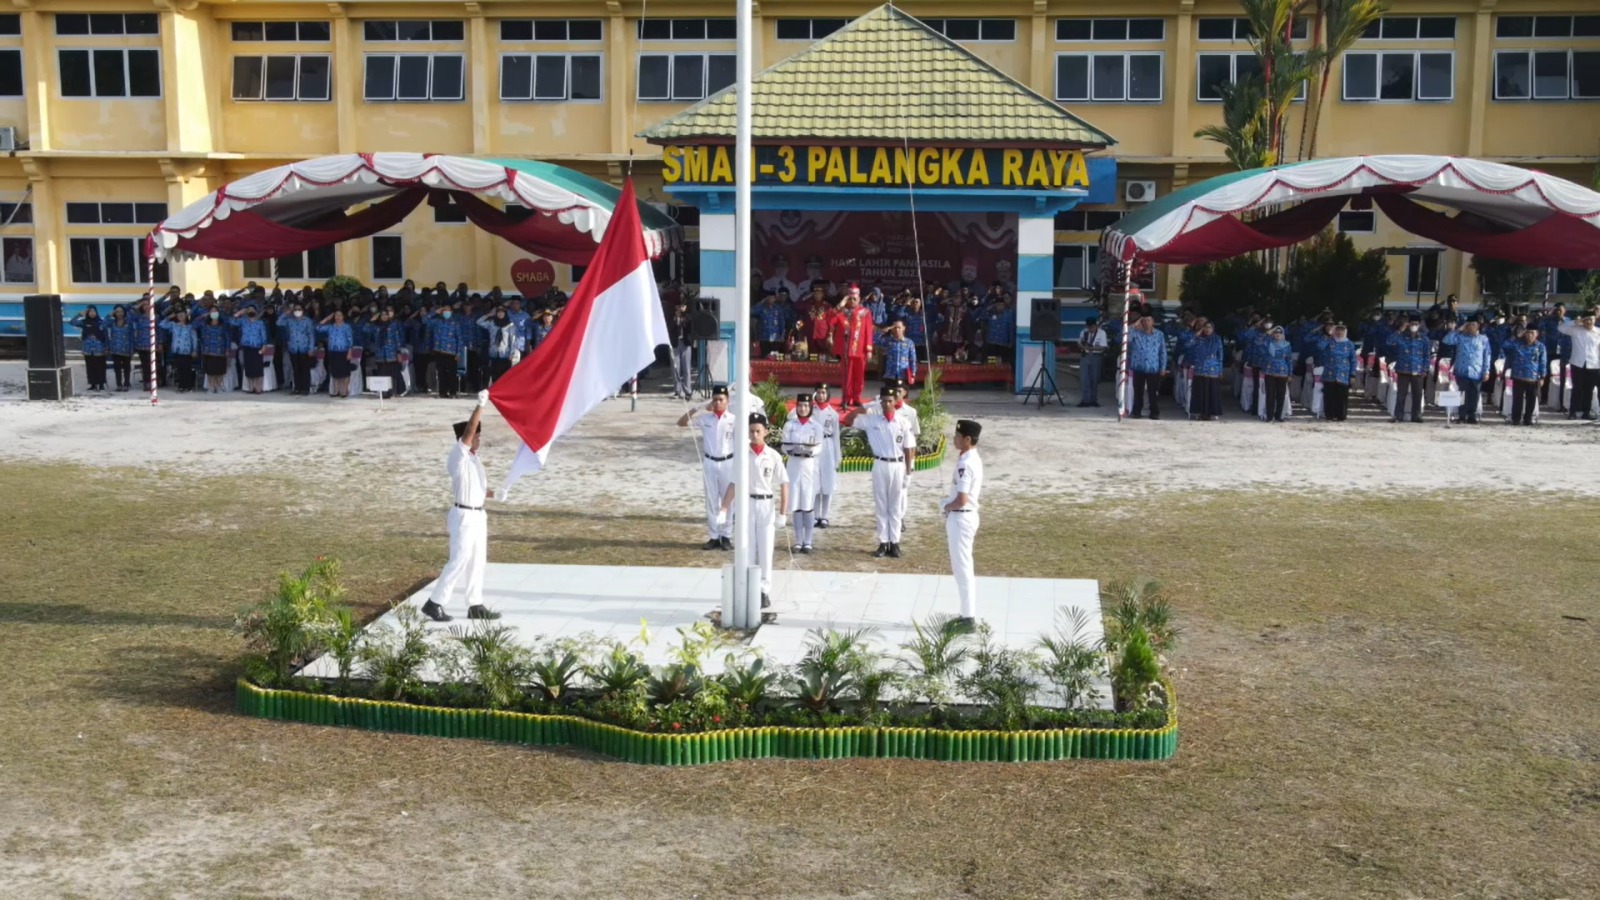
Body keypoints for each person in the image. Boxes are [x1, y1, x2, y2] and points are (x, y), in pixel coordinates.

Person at [421, 391, 502, 623]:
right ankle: (434, 603)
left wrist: (496, 494)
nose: (478, 439)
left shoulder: (475, 460)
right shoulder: (458, 455)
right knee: (459, 559)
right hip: (464, 515)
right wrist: (480, 405)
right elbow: (468, 431)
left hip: (478, 514)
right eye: (477, 435)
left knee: (478, 560)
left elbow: (476, 490)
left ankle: (474, 605)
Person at [716, 412, 789, 610]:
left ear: (765, 431)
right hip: (747, 502)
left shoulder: (773, 456)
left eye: (758, 431)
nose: (755, 434)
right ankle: (747, 587)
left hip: (766, 503)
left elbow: (784, 484)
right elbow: (733, 482)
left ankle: (764, 590)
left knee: (765, 548)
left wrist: (783, 513)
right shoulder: (742, 455)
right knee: (746, 547)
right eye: (751, 431)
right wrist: (724, 508)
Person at [842, 384, 916, 559]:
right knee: (881, 505)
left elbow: (909, 449)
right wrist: (866, 406)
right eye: (883, 401)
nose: (886, 404)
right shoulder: (871, 420)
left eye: (889, 401)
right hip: (880, 463)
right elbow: (848, 419)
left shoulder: (903, 422)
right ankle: (884, 542)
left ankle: (895, 542)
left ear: (895, 402)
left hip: (898, 465)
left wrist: (908, 474)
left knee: (896, 506)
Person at [678, 385, 738, 550]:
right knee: (711, 501)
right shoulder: (705, 419)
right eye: (715, 400)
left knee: (728, 500)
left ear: (727, 401)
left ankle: (726, 535)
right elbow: (681, 423)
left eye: (721, 400)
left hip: (728, 462)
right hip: (710, 462)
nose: (718, 403)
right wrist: (697, 407)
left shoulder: (734, 420)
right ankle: (713, 536)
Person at [942, 419, 984, 627]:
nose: (955, 438)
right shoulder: (970, 458)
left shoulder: (965, 464)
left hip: (961, 516)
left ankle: (968, 617)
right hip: (965, 516)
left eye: (958, 436)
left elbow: (962, 499)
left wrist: (945, 506)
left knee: (962, 568)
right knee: (962, 566)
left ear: (968, 439)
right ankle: (966, 613)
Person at [780, 393, 824, 553]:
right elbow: (784, 446)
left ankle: (808, 541)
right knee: (795, 503)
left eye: (806, 406)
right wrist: (792, 449)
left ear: (810, 407)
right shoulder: (789, 425)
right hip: (793, 463)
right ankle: (798, 540)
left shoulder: (816, 426)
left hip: (808, 464)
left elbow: (819, 446)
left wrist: (809, 450)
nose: (803, 408)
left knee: (807, 503)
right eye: (800, 405)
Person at [1442, 320, 1493, 424]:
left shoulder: (1483, 339)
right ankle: (1462, 416)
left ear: (1478, 326)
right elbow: (1446, 340)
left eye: (1473, 324)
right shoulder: (1461, 337)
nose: (1471, 327)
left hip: (1477, 371)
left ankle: (1471, 416)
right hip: (1462, 370)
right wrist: (1458, 329)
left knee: (1474, 394)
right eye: (1469, 325)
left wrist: (1486, 371)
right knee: (1462, 394)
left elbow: (1487, 356)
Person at [834, 284, 874, 406]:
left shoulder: (865, 312)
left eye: (854, 299)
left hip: (860, 350)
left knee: (859, 375)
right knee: (847, 376)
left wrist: (869, 349)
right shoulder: (842, 313)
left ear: (859, 299)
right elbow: (830, 320)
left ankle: (856, 397)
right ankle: (846, 398)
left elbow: (868, 331)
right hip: (846, 350)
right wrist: (841, 304)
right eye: (849, 299)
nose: (852, 301)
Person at [1388, 315, 1432, 423]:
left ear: (1419, 325)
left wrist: (1425, 369)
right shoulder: (1402, 337)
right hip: (1403, 370)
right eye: (1412, 324)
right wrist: (1400, 330)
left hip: (1418, 370)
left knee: (1417, 395)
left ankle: (1416, 416)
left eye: (1416, 324)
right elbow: (1389, 342)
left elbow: (1427, 356)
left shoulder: (1424, 339)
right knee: (1401, 395)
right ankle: (1398, 416)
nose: (1414, 326)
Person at [1558, 310, 1599, 420]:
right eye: (1586, 320)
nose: (1589, 322)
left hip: (1594, 364)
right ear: (1583, 320)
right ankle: (1572, 412)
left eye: (1591, 319)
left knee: (1589, 390)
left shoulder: (1598, 332)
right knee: (1577, 389)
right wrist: (1575, 322)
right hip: (1577, 363)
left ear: (1595, 320)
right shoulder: (1576, 330)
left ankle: (1586, 412)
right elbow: (1561, 328)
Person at [1503, 327, 1549, 426]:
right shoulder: (1517, 344)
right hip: (1518, 376)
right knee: (1517, 399)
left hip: (1533, 377)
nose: (1529, 335)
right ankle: (1516, 419)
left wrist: (1542, 377)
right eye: (1527, 333)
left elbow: (1543, 362)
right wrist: (1517, 337)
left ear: (1536, 334)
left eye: (1532, 333)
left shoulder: (1540, 346)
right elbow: (1505, 346)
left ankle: (1528, 419)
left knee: (1531, 399)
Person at [811, 382, 841, 528]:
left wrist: (837, 457)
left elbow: (836, 437)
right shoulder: (810, 410)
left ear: (827, 394)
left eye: (823, 392)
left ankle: (824, 516)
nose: (821, 395)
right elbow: (792, 415)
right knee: (816, 482)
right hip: (815, 446)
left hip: (828, 445)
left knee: (828, 483)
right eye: (818, 392)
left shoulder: (833, 414)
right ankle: (815, 515)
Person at [1127, 315, 1167, 420]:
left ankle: (1154, 412)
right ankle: (1136, 411)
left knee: (1153, 392)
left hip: (1153, 367)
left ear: (1153, 322)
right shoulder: (1136, 333)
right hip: (1139, 366)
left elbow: (1162, 351)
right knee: (1138, 391)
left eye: (1149, 320)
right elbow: (1126, 339)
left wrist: (1163, 367)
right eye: (1144, 321)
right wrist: (1133, 325)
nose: (1146, 323)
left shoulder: (1159, 334)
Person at [1319, 324, 1361, 422]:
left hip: (1344, 374)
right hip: (1330, 373)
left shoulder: (1349, 344)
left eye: (1342, 330)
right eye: (1337, 330)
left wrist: (1353, 374)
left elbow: (1353, 360)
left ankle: (1341, 416)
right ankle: (1329, 415)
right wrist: (1328, 336)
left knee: (1341, 396)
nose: (1339, 332)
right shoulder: (1329, 341)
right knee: (1329, 395)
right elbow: (1320, 346)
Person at [424, 304, 465, 398]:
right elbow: (425, 320)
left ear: (451, 312)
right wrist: (435, 312)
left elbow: (460, 339)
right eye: (444, 311)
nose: (446, 312)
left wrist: (459, 352)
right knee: (441, 373)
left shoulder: (455, 323)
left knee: (452, 373)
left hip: (452, 352)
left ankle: (453, 393)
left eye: (448, 311)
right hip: (439, 351)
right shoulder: (437, 322)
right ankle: (442, 392)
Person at [1188, 319, 1225, 421]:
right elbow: (1189, 345)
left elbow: (1220, 355)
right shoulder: (1199, 339)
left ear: (1213, 329)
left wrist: (1220, 370)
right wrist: (1197, 334)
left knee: (1212, 392)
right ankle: (1200, 413)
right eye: (1205, 327)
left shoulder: (1217, 339)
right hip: (1200, 369)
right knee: (1200, 392)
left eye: (1209, 328)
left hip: (1213, 369)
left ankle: (1212, 413)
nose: (1207, 330)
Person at [478, 306, 523, 387]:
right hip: (494, 352)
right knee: (494, 374)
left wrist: (512, 353)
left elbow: (512, 340)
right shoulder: (492, 323)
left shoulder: (510, 325)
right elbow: (479, 322)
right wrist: (488, 315)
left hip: (505, 353)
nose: (500, 313)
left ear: (505, 313)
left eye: (502, 312)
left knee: (504, 375)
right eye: (498, 312)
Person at [280, 302, 317, 395]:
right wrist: (287, 313)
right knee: (295, 369)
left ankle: (305, 388)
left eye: (299, 309)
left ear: (303, 310)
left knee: (305, 369)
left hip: (304, 347)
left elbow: (311, 335)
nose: (297, 311)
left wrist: (311, 348)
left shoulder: (308, 321)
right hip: (293, 348)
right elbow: (279, 322)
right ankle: (297, 388)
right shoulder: (289, 320)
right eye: (295, 309)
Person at [71, 306, 109, 392]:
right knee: (90, 367)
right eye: (90, 311)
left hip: (99, 349)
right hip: (88, 349)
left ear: (97, 312)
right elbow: (72, 322)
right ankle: (92, 384)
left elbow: (106, 336)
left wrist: (107, 347)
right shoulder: (84, 322)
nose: (92, 313)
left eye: (94, 311)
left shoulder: (101, 323)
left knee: (100, 366)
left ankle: (101, 384)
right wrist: (79, 314)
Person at [233, 305, 269, 394]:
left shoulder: (260, 323)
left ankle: (258, 388)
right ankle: (251, 387)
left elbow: (263, 335)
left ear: (256, 311)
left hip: (257, 347)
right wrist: (239, 313)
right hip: (246, 347)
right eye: (248, 310)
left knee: (258, 368)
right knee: (249, 368)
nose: (250, 311)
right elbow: (232, 322)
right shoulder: (243, 321)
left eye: (252, 309)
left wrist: (264, 346)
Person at [1261, 325, 1295, 422]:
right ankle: (1269, 416)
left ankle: (1279, 415)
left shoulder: (1287, 345)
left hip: (1282, 371)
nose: (1277, 335)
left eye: (1280, 333)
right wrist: (1269, 332)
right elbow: (1261, 341)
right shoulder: (1269, 343)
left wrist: (1290, 373)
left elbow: (1289, 360)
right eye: (1275, 333)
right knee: (1270, 395)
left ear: (1283, 334)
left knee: (1281, 395)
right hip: (1269, 370)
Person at [319, 310, 355, 398]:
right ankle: (336, 390)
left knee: (345, 372)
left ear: (343, 317)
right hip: (332, 351)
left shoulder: (346, 327)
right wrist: (327, 318)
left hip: (343, 351)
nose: (338, 317)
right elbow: (318, 327)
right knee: (335, 372)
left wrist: (349, 352)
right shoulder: (330, 327)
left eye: (340, 315)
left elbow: (350, 340)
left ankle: (345, 391)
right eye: (336, 315)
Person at [1078, 316, 1107, 407]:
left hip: (1096, 355)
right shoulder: (1084, 332)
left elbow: (1104, 347)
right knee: (1084, 378)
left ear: (1095, 325)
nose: (1090, 329)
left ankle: (1093, 399)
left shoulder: (1102, 333)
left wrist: (1092, 348)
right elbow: (1079, 342)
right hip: (1085, 355)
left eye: (1092, 327)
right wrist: (1082, 346)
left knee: (1094, 378)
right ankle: (1085, 399)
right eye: (1089, 327)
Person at [668, 298, 694, 399]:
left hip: (685, 343)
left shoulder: (688, 317)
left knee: (686, 368)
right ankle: (677, 390)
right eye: (679, 306)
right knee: (675, 368)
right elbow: (669, 329)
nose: (681, 308)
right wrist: (676, 320)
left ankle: (688, 390)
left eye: (682, 306)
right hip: (675, 343)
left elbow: (690, 328)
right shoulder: (672, 318)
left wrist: (683, 320)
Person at [880, 319, 918, 385]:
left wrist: (913, 375)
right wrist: (883, 331)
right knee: (888, 394)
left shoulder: (909, 343)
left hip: (903, 375)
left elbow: (913, 360)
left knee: (901, 394)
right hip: (890, 375)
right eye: (895, 328)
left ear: (903, 328)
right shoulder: (888, 341)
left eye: (899, 327)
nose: (897, 330)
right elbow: (873, 339)